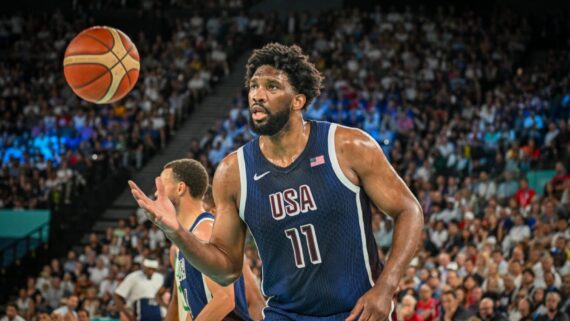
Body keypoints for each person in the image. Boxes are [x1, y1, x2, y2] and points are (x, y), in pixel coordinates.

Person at [129, 43, 424, 320]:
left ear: (298, 100)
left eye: (272, 86)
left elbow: (409, 210)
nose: (257, 94)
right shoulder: (233, 172)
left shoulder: (348, 146)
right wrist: (177, 231)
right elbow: (226, 270)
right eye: (254, 85)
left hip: (356, 312)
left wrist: (387, 287)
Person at [158, 159, 265, 321]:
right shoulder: (185, 241)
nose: (156, 193)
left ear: (180, 188)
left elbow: (225, 299)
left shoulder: (206, 231)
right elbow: (189, 307)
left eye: (162, 184)